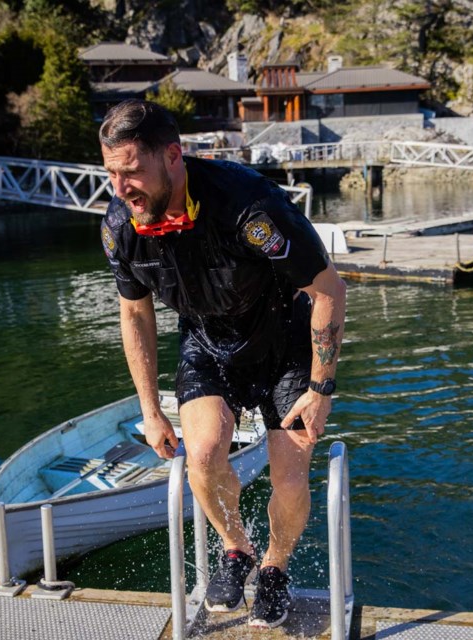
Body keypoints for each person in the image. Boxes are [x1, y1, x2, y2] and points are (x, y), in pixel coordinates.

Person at [98, 99, 346, 629]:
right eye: (111, 174)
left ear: (172, 155)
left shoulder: (249, 207)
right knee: (203, 454)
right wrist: (150, 409)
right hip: (208, 342)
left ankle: (275, 568)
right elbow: (134, 313)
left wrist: (322, 386)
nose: (120, 189)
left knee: (290, 470)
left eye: (131, 172)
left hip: (284, 342)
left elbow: (329, 290)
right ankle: (238, 549)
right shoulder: (121, 223)